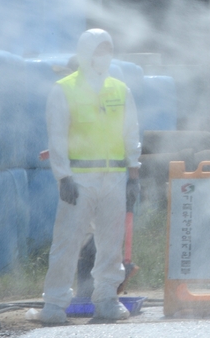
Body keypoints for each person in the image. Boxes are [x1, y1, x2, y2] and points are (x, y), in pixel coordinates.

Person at [39, 29, 141, 324]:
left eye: (109, 48)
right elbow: (56, 137)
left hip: (114, 176)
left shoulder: (120, 90)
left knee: (111, 241)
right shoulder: (64, 89)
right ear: (85, 52)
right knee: (67, 242)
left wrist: (133, 176)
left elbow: (131, 133)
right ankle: (55, 304)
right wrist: (63, 177)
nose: (105, 54)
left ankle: (107, 298)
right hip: (80, 177)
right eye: (99, 49)